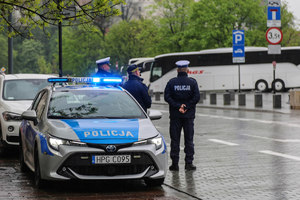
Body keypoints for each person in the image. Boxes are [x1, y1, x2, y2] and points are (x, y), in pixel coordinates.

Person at [164, 60, 200, 171]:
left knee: (175, 140)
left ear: (177, 70)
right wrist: (186, 106)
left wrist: (178, 106)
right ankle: (189, 163)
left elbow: (167, 97)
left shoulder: (171, 82)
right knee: (189, 140)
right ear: (187, 69)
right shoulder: (192, 82)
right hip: (188, 116)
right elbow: (196, 97)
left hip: (175, 115)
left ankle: (175, 164)